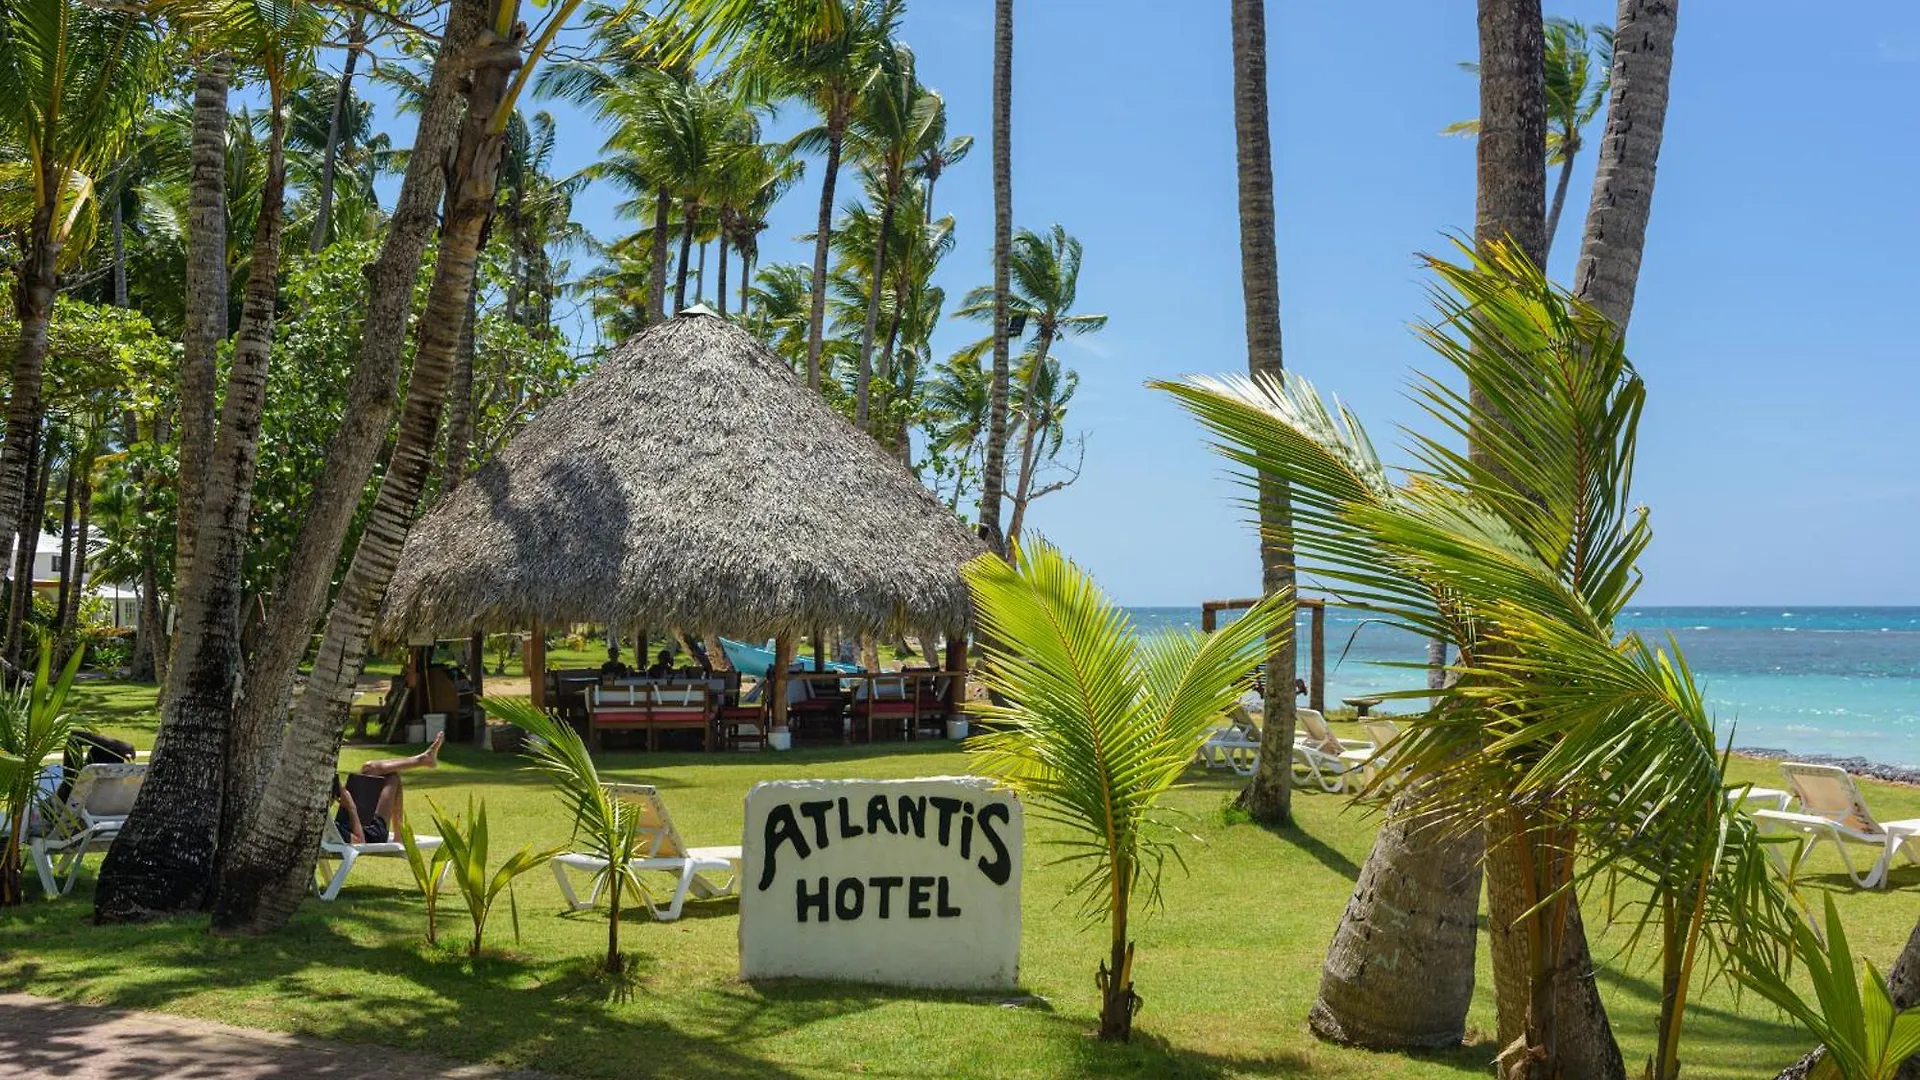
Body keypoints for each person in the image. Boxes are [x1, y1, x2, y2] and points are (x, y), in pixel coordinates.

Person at [330, 732, 443, 845]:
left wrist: (340, 792)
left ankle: (424, 759)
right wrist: (351, 807)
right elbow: (360, 841)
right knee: (392, 777)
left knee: (370, 768)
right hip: (371, 833)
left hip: (349, 820)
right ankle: (399, 836)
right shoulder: (325, 827)